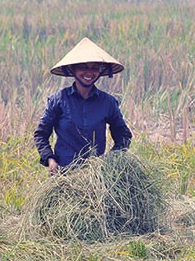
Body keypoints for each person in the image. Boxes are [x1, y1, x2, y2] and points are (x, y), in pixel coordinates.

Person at [34, 37, 132, 175]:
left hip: (96, 177)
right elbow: (41, 134)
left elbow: (123, 135)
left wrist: (110, 160)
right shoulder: (58, 101)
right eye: (83, 67)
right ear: (72, 69)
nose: (89, 72)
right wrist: (50, 160)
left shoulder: (108, 102)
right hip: (63, 175)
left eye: (95, 68)